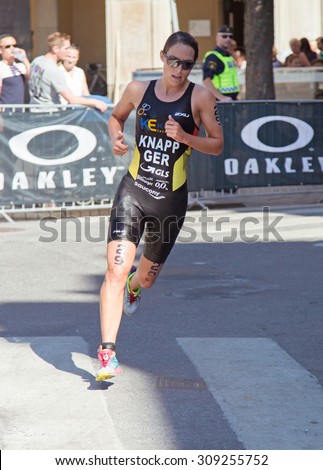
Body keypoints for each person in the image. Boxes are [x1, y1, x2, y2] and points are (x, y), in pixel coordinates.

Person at [96, 31, 224, 381]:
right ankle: (107, 353)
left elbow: (217, 145)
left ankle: (136, 289)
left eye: (187, 64)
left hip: (170, 201)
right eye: (173, 61)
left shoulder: (200, 97)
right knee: (116, 271)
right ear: (162, 55)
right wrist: (116, 137)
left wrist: (184, 137)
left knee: (144, 280)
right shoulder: (139, 90)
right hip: (133, 192)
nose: (179, 70)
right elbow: (115, 117)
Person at [28, 32, 107, 112]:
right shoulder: (53, 70)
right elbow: (72, 99)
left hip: (34, 110)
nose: (68, 51)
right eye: (66, 48)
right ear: (55, 49)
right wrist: (95, 102)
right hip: (50, 114)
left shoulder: (37, 61)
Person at [202, 25, 239, 101]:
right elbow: (206, 80)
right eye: (224, 36)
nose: (228, 39)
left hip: (231, 101)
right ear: (217, 37)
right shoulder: (213, 57)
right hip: (220, 102)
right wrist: (221, 98)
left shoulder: (228, 56)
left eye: (230, 36)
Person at [0, 33, 30, 105]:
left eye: (15, 46)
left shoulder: (20, 66)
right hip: (6, 111)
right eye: (8, 46)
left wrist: (24, 59)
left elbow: (31, 76)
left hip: (19, 111)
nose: (12, 48)